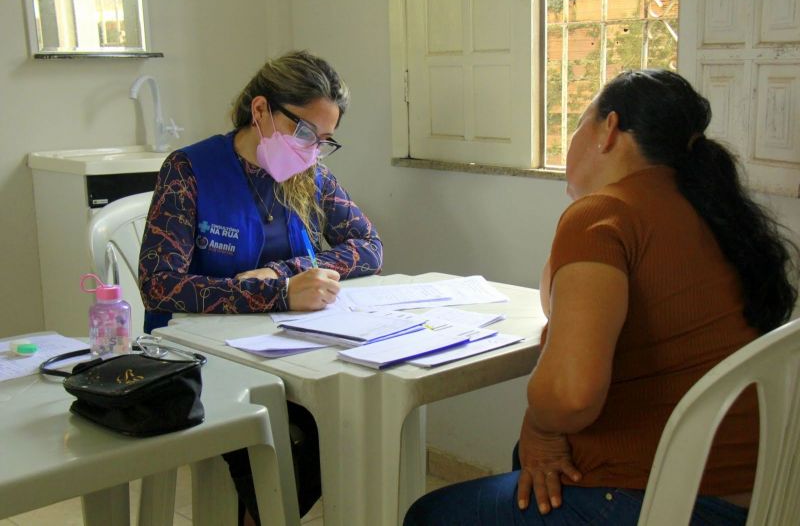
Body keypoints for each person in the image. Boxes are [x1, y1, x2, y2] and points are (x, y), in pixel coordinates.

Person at [404, 69, 797, 525]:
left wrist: (540, 424)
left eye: (578, 123)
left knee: (430, 514)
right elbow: (560, 302)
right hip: (761, 489)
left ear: (608, 129)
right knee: (528, 461)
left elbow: (570, 398)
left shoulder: (606, 214)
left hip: (669, 501)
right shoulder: (710, 208)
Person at [138, 50, 383, 524]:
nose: (312, 149)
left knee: (351, 416)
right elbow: (160, 285)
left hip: (282, 349)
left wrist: (284, 273)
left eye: (325, 140)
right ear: (260, 111)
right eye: (306, 132)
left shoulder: (309, 174)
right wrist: (278, 293)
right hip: (197, 356)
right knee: (292, 431)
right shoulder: (189, 171)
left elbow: (368, 245)